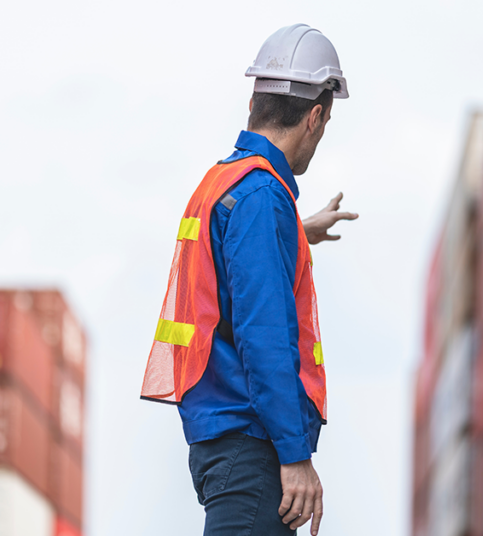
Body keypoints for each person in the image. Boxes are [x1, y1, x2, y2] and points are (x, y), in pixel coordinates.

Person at [140, 24, 354, 536]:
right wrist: (294, 454)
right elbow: (264, 339)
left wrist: (297, 234)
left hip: (221, 437)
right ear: (315, 116)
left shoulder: (226, 183)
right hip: (250, 441)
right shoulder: (262, 197)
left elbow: (231, 259)